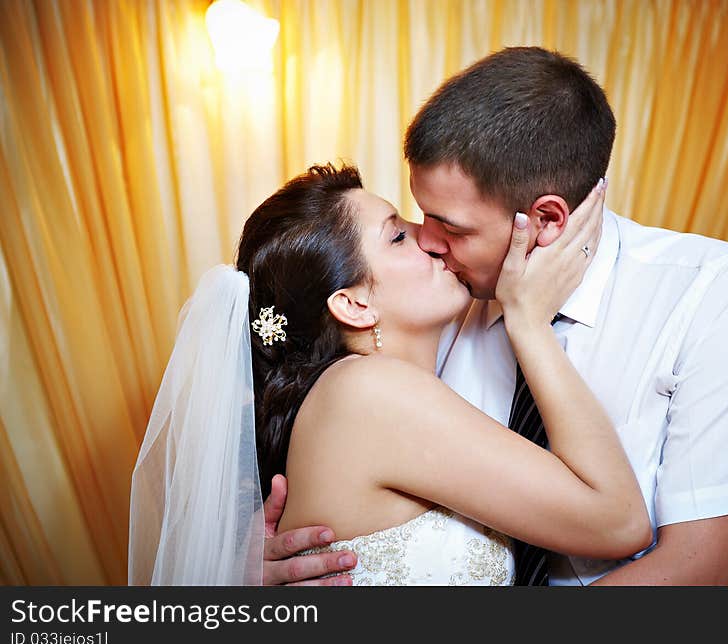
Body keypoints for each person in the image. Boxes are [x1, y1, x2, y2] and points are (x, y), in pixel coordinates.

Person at [265, 47, 728, 586]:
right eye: (410, 223)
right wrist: (244, 570)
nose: (430, 242)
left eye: (451, 227)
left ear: (547, 219)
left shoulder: (710, 289)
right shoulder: (438, 306)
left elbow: (697, 569)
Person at [129, 162, 652, 585]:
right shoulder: (370, 392)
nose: (429, 237)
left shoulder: (365, 392)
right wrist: (530, 323)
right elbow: (619, 521)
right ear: (353, 305)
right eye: (398, 236)